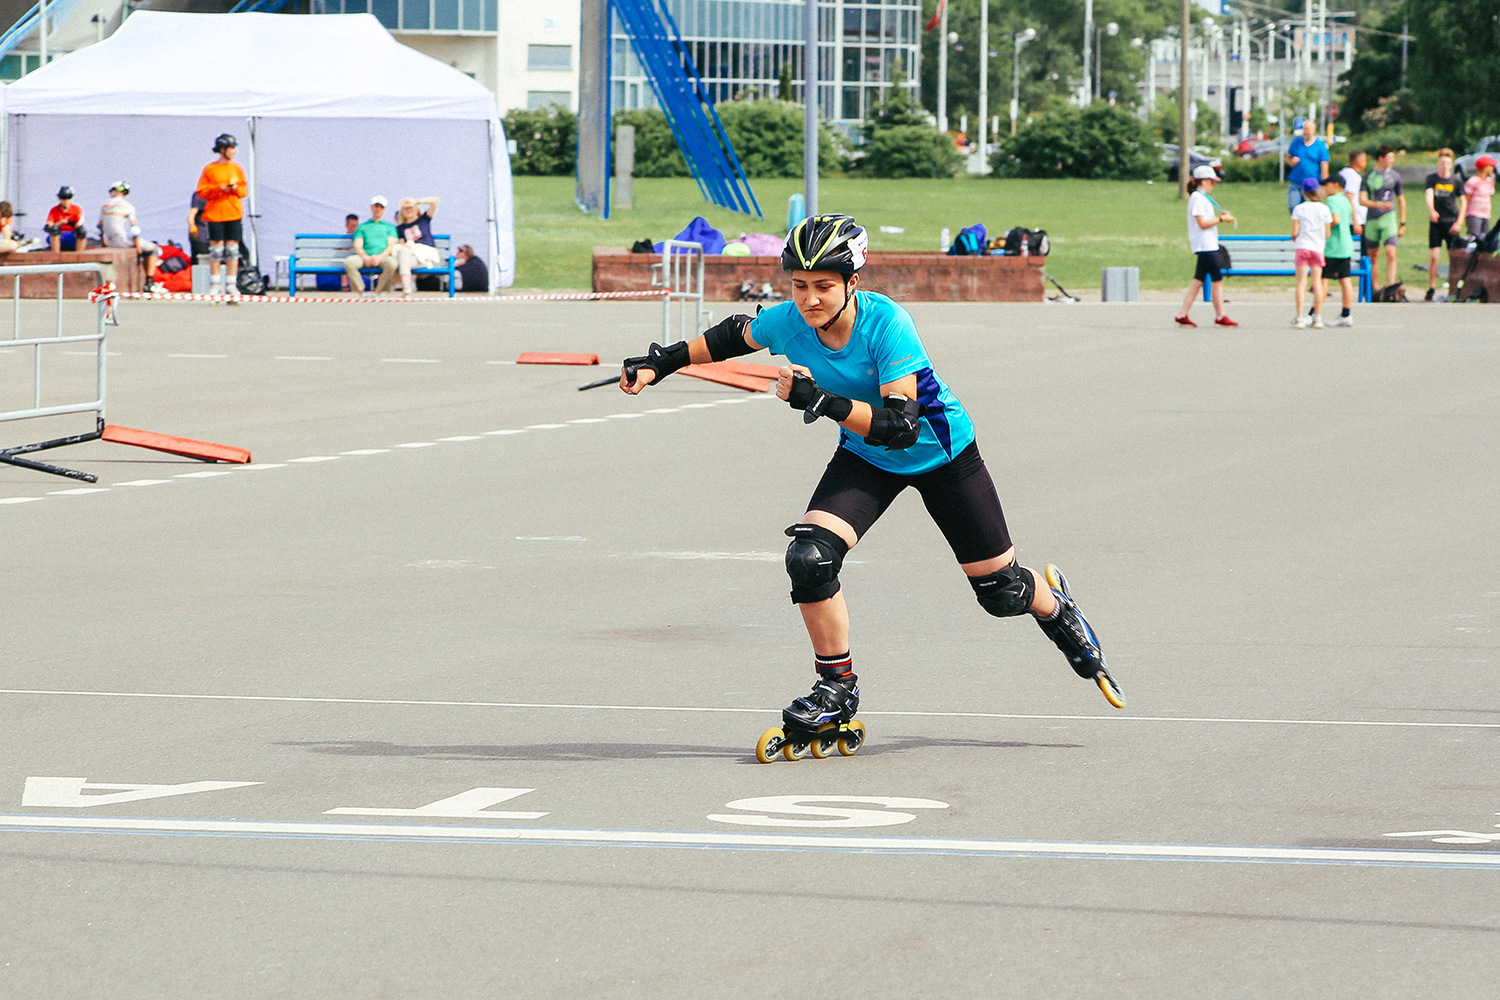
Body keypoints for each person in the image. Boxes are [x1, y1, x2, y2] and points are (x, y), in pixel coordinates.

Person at [617, 214, 1125, 763]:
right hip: (866, 457)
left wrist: (820, 401)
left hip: (941, 455)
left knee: (1001, 593)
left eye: (824, 286)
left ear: (852, 282)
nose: (809, 299)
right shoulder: (791, 320)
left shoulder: (887, 324)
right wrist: (661, 362)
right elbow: (732, 335)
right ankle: (835, 688)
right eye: (799, 285)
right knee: (809, 558)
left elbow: (901, 426)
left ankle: (1056, 608)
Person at [1174, 165, 1238, 328]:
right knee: (1217, 279)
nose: (1213, 185)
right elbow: (1202, 223)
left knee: (1198, 280)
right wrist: (1221, 219)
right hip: (1205, 245)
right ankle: (1220, 315)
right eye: (1211, 181)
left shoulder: (1201, 198)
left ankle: (1182, 314)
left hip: (1208, 244)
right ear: (1203, 181)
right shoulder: (1198, 198)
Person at [194, 133, 249, 297]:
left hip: (233, 212)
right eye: (231, 148)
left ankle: (231, 284)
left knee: (232, 249)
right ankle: (215, 284)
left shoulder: (236, 168)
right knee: (216, 250)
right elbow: (201, 191)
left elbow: (244, 190)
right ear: (223, 150)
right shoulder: (210, 169)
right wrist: (219, 188)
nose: (234, 151)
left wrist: (235, 189)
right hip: (215, 213)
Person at [99, 182, 162, 293]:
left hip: (111, 242)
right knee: (155, 249)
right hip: (123, 241)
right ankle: (149, 282)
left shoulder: (105, 206)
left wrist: (105, 244)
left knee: (147, 249)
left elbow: (99, 227)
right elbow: (134, 229)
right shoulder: (127, 206)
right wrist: (138, 247)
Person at [1424, 149, 1467, 301]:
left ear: (1451, 164)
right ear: (1438, 163)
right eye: (1442, 162)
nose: (1444, 165)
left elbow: (1463, 201)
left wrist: (1459, 221)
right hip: (1437, 222)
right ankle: (1431, 287)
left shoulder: (1456, 180)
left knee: (1453, 256)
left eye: (1447, 163)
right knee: (1434, 255)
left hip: (1451, 221)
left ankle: (1453, 287)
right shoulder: (1432, 179)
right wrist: (1432, 211)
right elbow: (1429, 195)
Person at [1361, 145, 1405, 290]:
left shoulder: (1395, 176)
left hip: (1389, 219)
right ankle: (1374, 288)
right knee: (1373, 255)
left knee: (1390, 253)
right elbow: (1362, 200)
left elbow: (1401, 200)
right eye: (1390, 157)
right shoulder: (1368, 176)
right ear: (1381, 158)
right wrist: (1378, 204)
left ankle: (1390, 287)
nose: (1392, 160)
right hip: (1372, 219)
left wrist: (1403, 222)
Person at [1290, 177, 1332, 328]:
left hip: (1303, 246)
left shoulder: (1299, 209)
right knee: (1317, 283)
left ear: (1303, 192)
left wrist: (1296, 237)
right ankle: (1318, 317)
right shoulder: (1324, 209)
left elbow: (1295, 232)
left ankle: (1300, 317)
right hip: (1317, 248)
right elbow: (1327, 233)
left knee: (1301, 283)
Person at [1318, 175, 1356, 327]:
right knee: (1345, 279)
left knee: (1324, 279)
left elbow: (1336, 219)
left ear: (1336, 185)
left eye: (1327, 185)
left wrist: (1323, 226)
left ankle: (1315, 312)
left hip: (1333, 246)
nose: (1324, 188)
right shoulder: (1345, 199)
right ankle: (1346, 313)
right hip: (1346, 244)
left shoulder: (1332, 200)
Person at [387, 196, 442, 297]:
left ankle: (406, 288)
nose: (408, 210)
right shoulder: (400, 229)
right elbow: (400, 243)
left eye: (411, 208)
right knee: (403, 253)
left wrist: (417, 202)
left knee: (403, 256)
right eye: (405, 209)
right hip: (409, 255)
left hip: (424, 255)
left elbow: (435, 201)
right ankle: (407, 289)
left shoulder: (424, 220)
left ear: (416, 209)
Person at [343, 196, 397, 296]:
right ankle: (361, 291)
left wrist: (380, 257)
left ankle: (379, 292)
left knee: (392, 263)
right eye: (376, 206)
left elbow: (390, 246)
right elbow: (357, 245)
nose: (378, 209)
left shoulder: (390, 227)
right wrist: (365, 257)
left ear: (384, 209)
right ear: (371, 207)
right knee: (349, 262)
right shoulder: (363, 227)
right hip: (364, 257)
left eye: (381, 207)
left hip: (383, 257)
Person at [1284, 117, 1330, 214]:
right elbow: (1288, 157)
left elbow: (1324, 165)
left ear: (1314, 129)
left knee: (1311, 210)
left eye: (1308, 129)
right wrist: (1291, 162)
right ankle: (1298, 222)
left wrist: (1324, 182)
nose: (1306, 132)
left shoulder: (1320, 146)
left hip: (1312, 183)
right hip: (1296, 181)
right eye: (1304, 129)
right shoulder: (1296, 143)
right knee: (1293, 207)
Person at [1338, 149, 1369, 249]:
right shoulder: (1351, 176)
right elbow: (1349, 198)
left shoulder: (1344, 172)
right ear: (1359, 162)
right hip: (1354, 220)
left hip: (1349, 219)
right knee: (1359, 250)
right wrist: (1355, 222)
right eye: (1364, 160)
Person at [1464, 155, 1494, 240]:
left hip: (1486, 214)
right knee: (1474, 237)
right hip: (1474, 213)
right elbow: (1466, 198)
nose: (1492, 168)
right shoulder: (1473, 181)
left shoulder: (1490, 181)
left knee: (1485, 238)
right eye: (1490, 166)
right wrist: (1465, 215)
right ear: (1484, 168)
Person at [45, 187, 85, 251]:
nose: (66, 201)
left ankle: (79, 254)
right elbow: (50, 224)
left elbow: (80, 222)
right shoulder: (54, 210)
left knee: (81, 231)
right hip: (59, 235)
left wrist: (75, 224)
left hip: (72, 236)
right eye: (63, 198)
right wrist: (60, 223)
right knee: (54, 229)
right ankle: (55, 253)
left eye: (68, 198)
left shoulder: (76, 209)